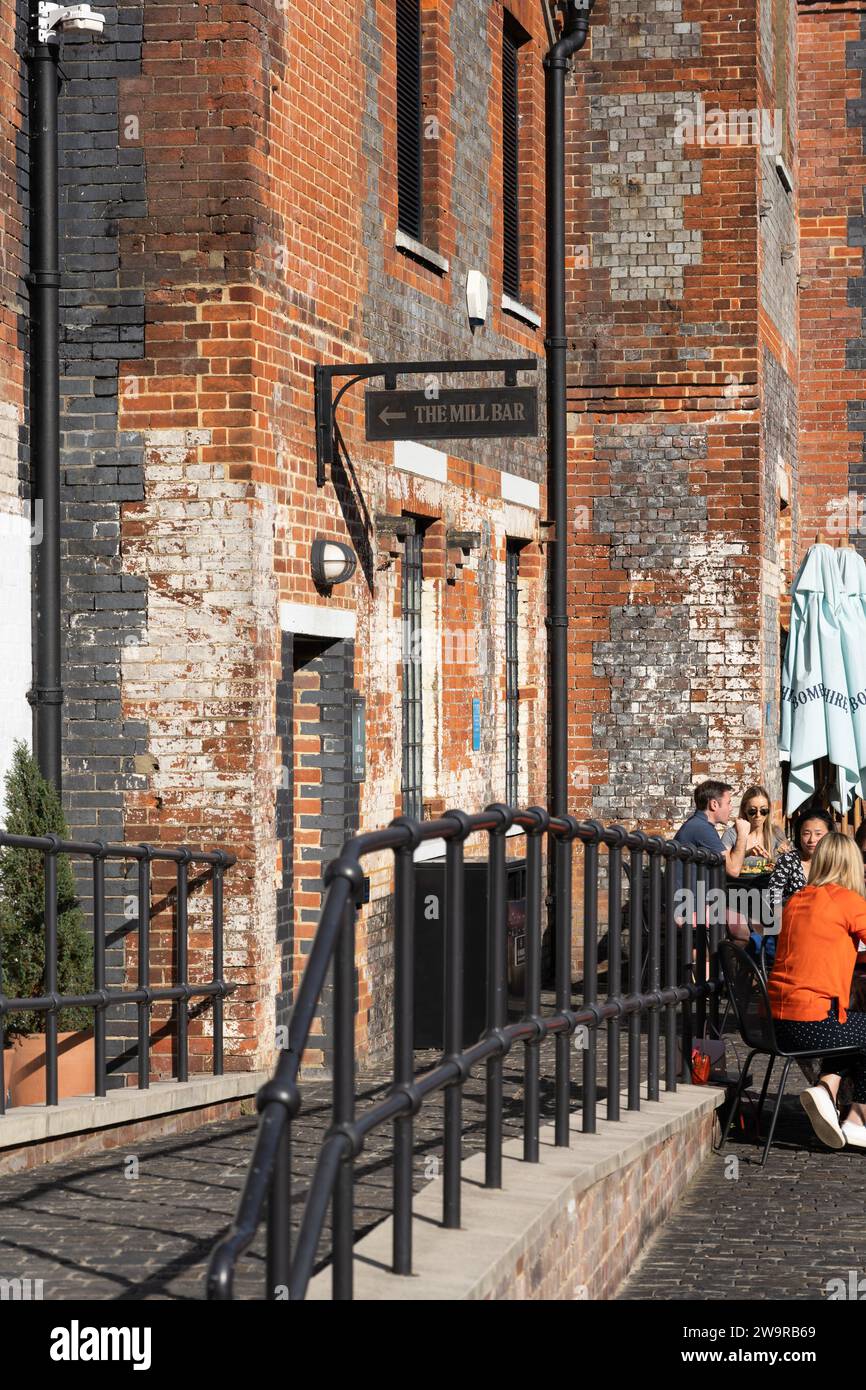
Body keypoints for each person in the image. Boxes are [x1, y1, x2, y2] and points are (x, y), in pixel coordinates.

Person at [768, 833, 866, 1150]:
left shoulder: (797, 899)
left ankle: (826, 1089)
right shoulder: (847, 901)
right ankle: (857, 1121)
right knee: (857, 1027)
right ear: (853, 864)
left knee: (854, 1026)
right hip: (813, 1024)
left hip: (777, 1026)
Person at [673, 780, 750, 940]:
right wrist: (742, 834)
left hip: (697, 902)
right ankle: (713, 962)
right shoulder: (702, 829)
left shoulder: (698, 825)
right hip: (690, 909)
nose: (730, 808)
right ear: (714, 804)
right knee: (744, 931)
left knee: (742, 928)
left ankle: (720, 962)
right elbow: (734, 869)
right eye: (728, 803)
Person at [721, 785, 789, 963]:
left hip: (769, 894)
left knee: (786, 925)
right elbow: (725, 865)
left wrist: (782, 856)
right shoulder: (733, 834)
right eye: (753, 811)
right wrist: (748, 852)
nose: (758, 816)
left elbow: (787, 867)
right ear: (744, 810)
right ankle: (737, 977)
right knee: (749, 930)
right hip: (738, 894)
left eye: (763, 811)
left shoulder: (775, 834)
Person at [767, 806, 834, 912]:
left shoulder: (834, 862)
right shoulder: (788, 861)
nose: (812, 839)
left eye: (818, 834)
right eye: (806, 833)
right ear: (799, 835)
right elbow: (773, 897)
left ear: (830, 836)